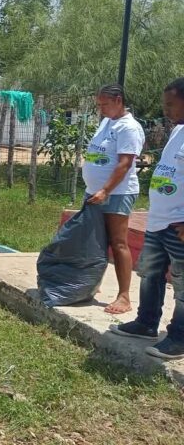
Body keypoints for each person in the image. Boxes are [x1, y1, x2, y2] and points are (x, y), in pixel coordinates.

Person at [109, 78, 184, 359]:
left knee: (182, 284)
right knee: (150, 274)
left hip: (179, 225)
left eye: (170, 104)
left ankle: (179, 337)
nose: (166, 109)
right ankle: (146, 323)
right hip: (159, 221)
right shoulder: (178, 131)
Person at [82, 84, 145, 314]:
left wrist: (106, 190)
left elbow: (124, 164)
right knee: (95, 240)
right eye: (99, 105)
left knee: (118, 243)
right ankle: (91, 282)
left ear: (118, 100)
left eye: (104, 104)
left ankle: (124, 296)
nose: (101, 109)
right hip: (94, 192)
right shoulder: (107, 122)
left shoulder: (129, 128)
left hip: (116, 193)